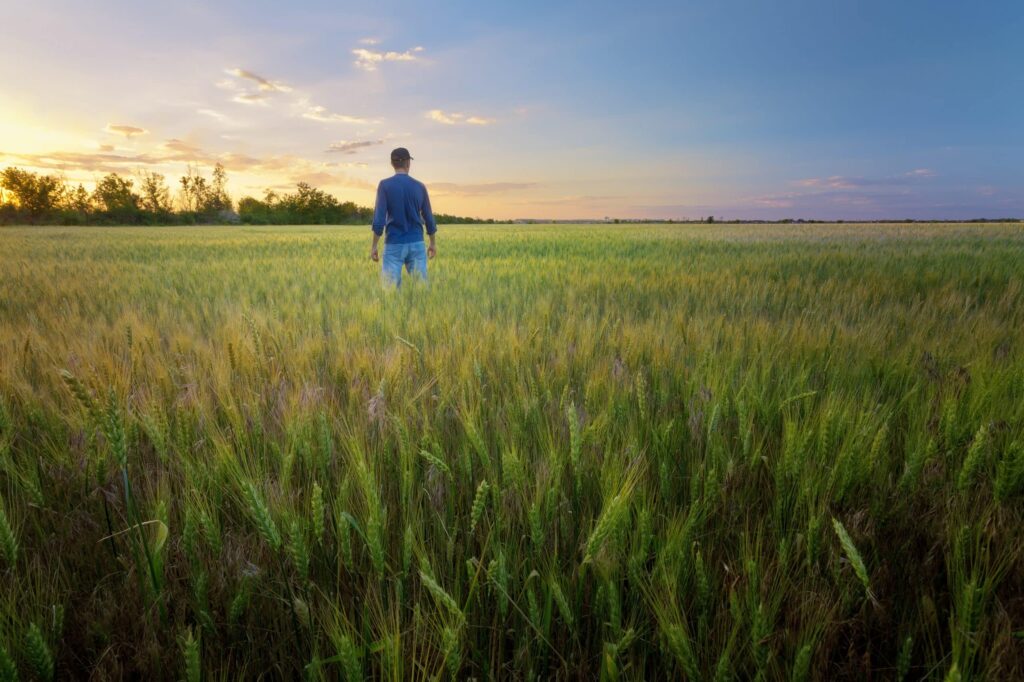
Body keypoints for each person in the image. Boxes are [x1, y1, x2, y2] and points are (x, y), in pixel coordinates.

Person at [370, 147, 437, 286]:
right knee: (421, 291)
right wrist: (432, 243)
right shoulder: (420, 186)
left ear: (392, 163)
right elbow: (429, 218)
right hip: (417, 243)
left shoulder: (384, 185)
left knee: (390, 294)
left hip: (394, 244)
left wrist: (374, 246)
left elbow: (379, 220)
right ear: (408, 163)